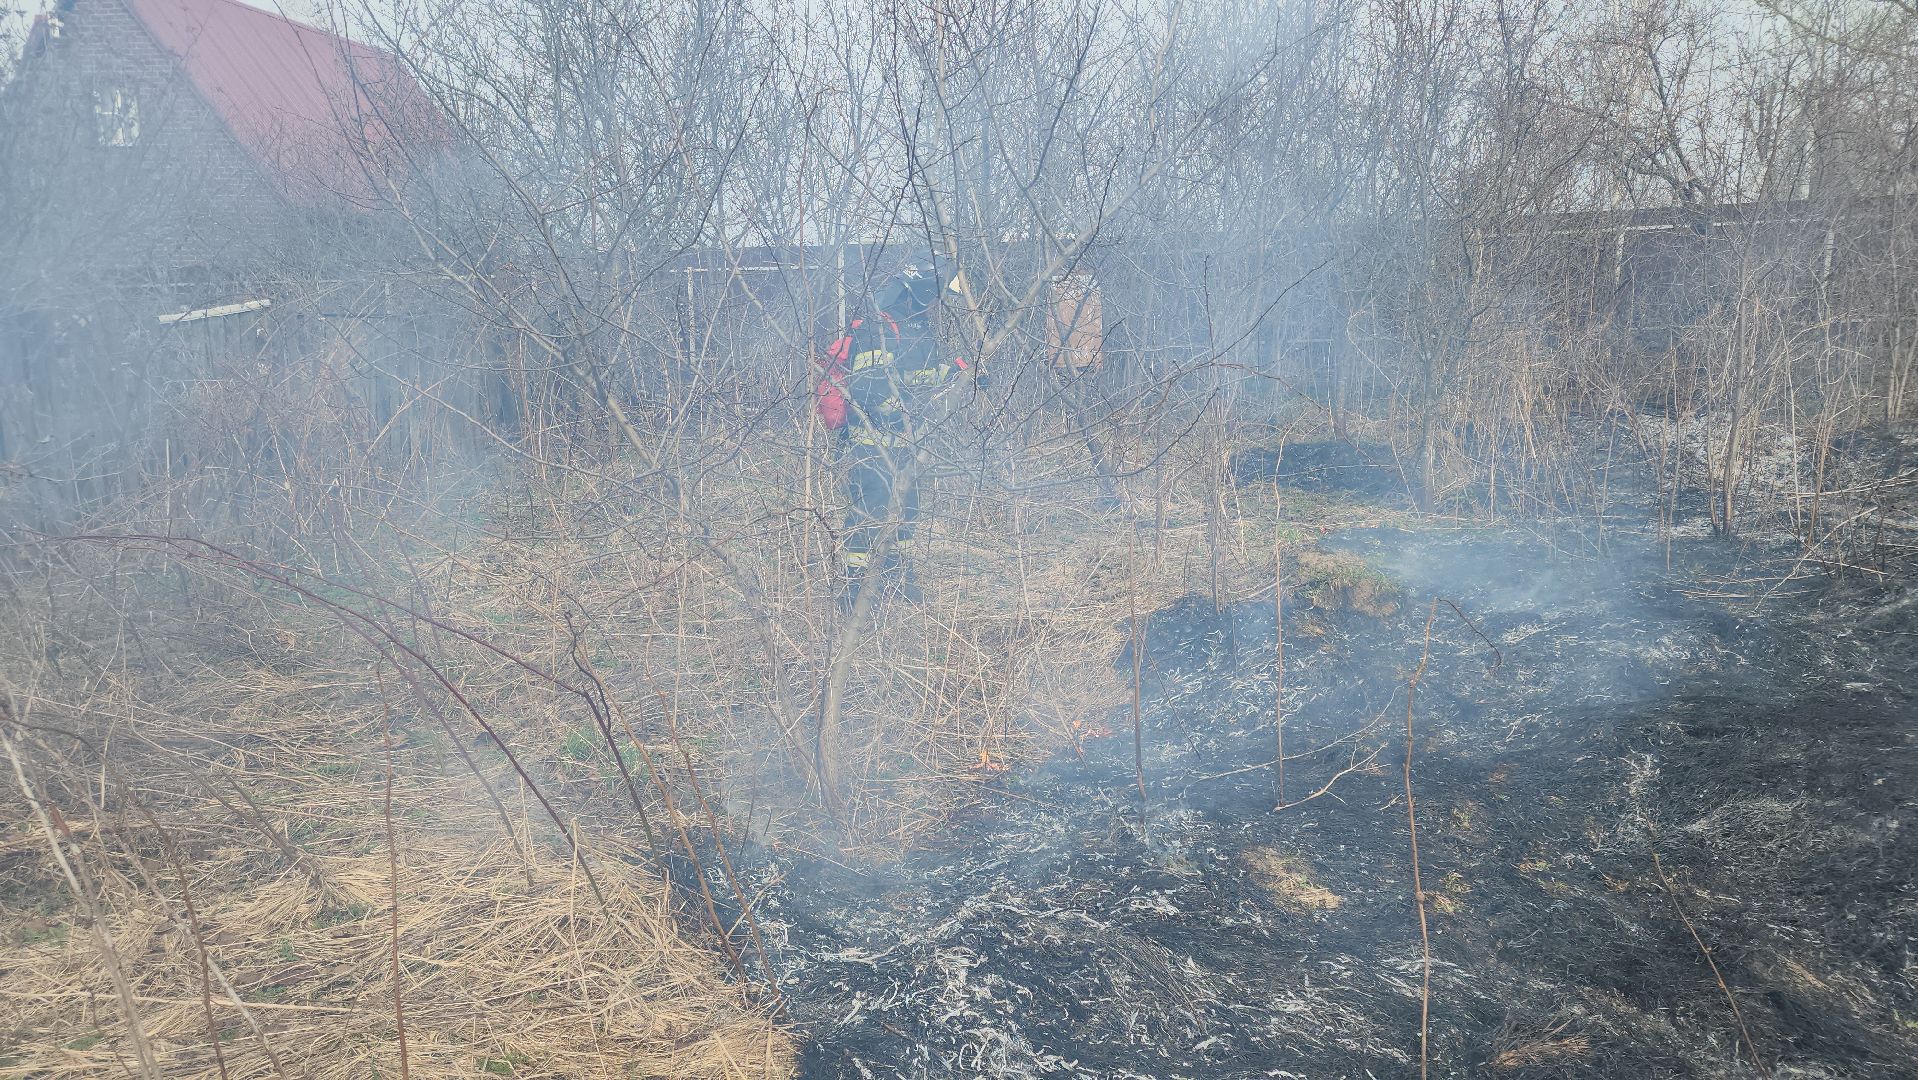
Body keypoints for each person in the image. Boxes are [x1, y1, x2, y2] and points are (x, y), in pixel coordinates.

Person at [820, 260, 969, 609]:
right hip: (871, 448)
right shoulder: (878, 327)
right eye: (935, 298)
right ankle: (853, 592)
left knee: (907, 512)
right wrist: (908, 406)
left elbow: (922, 374)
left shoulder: (918, 327)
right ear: (921, 294)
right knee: (867, 516)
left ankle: (897, 578)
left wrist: (960, 372)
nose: (936, 307)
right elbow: (869, 389)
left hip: (906, 446)